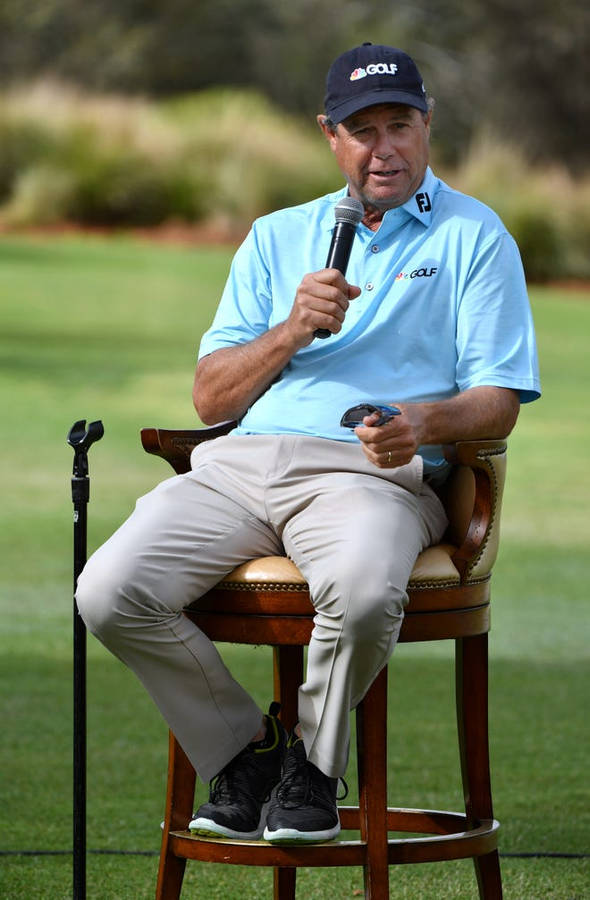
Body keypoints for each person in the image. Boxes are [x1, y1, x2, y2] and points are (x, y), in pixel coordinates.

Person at [76, 42, 541, 845]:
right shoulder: (276, 235)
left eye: (399, 125)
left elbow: (498, 399)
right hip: (240, 467)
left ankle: (314, 770)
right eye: (363, 130)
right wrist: (292, 329)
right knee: (108, 592)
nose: (383, 148)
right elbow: (211, 397)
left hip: (369, 473)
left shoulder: (476, 235)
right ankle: (248, 752)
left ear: (428, 125)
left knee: (362, 593)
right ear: (331, 136)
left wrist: (421, 424)